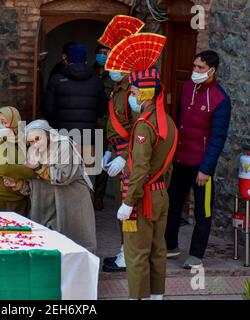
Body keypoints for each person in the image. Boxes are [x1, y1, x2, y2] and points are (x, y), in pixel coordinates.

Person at [107, 32, 177, 300]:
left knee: (136, 254)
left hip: (141, 197)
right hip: (160, 194)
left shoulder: (144, 126)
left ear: (146, 91)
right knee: (158, 251)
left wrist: (128, 200)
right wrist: (159, 189)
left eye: (135, 90)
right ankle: (157, 296)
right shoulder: (167, 122)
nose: (133, 94)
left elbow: (139, 168)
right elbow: (167, 167)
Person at [165, 50, 232, 269]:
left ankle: (196, 255)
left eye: (200, 68)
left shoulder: (221, 100)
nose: (195, 71)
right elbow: (178, 121)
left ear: (212, 70)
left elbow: (217, 138)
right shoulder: (186, 89)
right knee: (172, 203)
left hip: (202, 166)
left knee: (203, 211)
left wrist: (206, 168)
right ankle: (170, 245)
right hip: (181, 160)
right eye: (194, 66)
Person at [3, 120, 97, 254]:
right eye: (30, 142)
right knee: (50, 246)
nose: (35, 144)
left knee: (75, 244)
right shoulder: (33, 152)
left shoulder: (63, 146)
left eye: (37, 139)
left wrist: (37, 167)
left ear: (48, 135)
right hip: (49, 204)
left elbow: (63, 177)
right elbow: (37, 184)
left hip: (72, 202)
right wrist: (18, 184)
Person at [96, 15, 145, 272]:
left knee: (129, 206)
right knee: (121, 207)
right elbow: (115, 125)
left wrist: (124, 155)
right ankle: (124, 249)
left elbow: (141, 129)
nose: (109, 66)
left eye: (114, 62)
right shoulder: (118, 89)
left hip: (130, 157)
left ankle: (129, 255)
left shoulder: (133, 91)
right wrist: (108, 150)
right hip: (116, 152)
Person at [40, 43, 108, 148]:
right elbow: (102, 109)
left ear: (66, 60)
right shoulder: (96, 81)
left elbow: (46, 109)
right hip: (88, 139)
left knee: (63, 164)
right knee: (88, 163)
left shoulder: (56, 80)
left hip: (62, 137)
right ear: (85, 60)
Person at [93, 44, 114, 211]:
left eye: (105, 53)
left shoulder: (113, 76)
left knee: (102, 163)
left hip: (105, 124)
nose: (102, 56)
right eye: (99, 53)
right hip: (87, 122)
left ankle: (98, 197)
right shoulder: (89, 73)